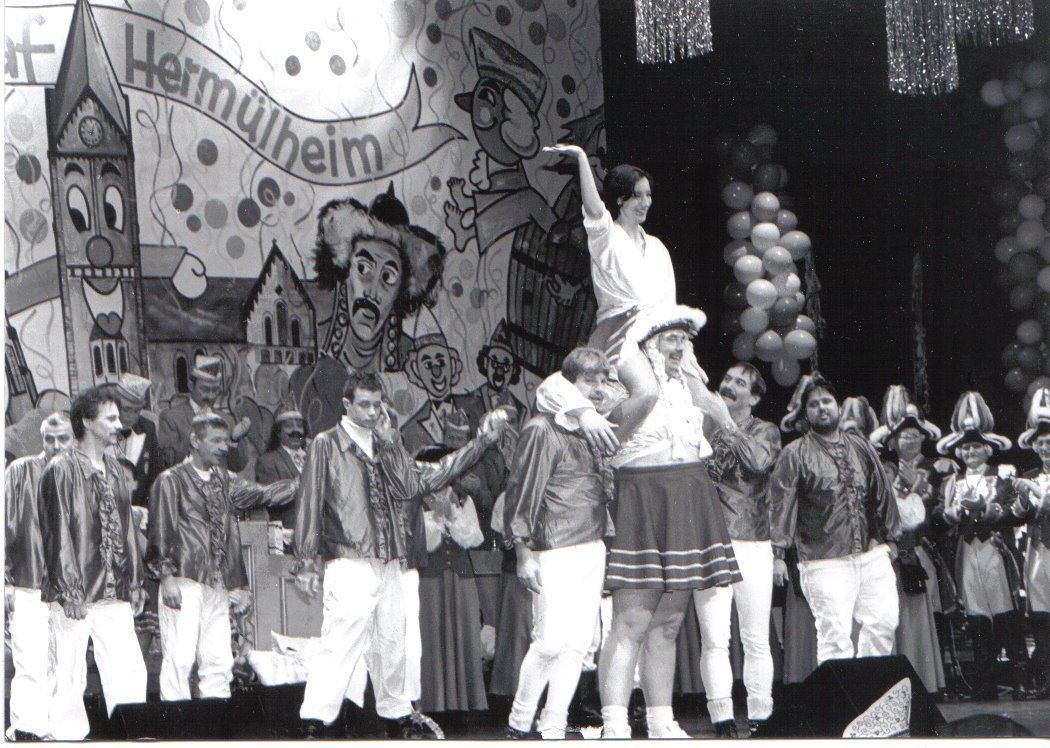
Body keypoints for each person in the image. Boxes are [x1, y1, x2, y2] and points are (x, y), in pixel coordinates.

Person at [293, 370, 505, 738]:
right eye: (364, 405)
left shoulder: (388, 447)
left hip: (393, 558)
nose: (372, 412)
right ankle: (315, 718)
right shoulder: (326, 445)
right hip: (350, 555)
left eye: (377, 405)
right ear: (346, 405)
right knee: (341, 638)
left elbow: (423, 480)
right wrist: (305, 561)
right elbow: (309, 501)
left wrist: (481, 442)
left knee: (394, 640)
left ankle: (396, 713)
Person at [501, 347, 627, 739]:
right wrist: (523, 552)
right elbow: (522, 491)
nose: (598, 388)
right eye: (590, 380)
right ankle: (519, 722)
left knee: (578, 645)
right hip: (553, 548)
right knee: (550, 641)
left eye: (603, 380)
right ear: (568, 384)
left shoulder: (591, 431)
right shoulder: (542, 429)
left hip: (592, 547)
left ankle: (553, 724)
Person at [540, 143, 682, 458]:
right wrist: (581, 158)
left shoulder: (657, 248)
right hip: (620, 333)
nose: (646, 202)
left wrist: (676, 346)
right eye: (638, 195)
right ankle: (601, 454)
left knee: (690, 398)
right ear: (620, 199)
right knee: (646, 393)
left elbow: (669, 305)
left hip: (656, 334)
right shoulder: (607, 236)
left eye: (649, 195)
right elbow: (594, 209)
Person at [147, 413, 299, 701]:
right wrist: (166, 578)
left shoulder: (225, 480)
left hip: (218, 583)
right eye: (216, 441)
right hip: (184, 579)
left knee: (218, 659)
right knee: (179, 658)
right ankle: (175, 723)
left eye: (226, 441)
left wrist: (303, 482)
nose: (223, 447)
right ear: (195, 440)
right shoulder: (171, 480)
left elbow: (264, 495)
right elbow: (161, 530)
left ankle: (215, 718)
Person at [770, 373, 902, 668]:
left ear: (838, 407)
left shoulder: (861, 446)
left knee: (883, 622)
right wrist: (778, 554)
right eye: (814, 404)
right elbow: (781, 504)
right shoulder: (795, 453)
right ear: (805, 414)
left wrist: (890, 537)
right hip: (823, 560)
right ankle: (839, 696)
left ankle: (869, 689)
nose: (822, 407)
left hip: (869, 554)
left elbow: (882, 491)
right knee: (835, 637)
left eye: (827, 401)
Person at [38, 386, 148, 740]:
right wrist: (70, 590)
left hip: (114, 591)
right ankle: (66, 739)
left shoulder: (115, 470)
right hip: (77, 592)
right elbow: (57, 533)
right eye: (111, 418)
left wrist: (134, 581)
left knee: (129, 670)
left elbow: (128, 529)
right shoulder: (61, 469)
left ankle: (131, 735)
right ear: (87, 422)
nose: (118, 425)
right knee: (69, 675)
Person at [695, 363, 781, 737]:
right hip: (709, 539)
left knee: (755, 637)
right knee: (714, 637)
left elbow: (758, 462)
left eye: (740, 383)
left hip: (752, 541)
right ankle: (722, 718)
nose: (729, 385)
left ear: (755, 397)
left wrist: (725, 421)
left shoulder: (766, 430)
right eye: (727, 379)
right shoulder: (700, 425)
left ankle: (761, 716)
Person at [936, 391, 1028, 701]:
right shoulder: (952, 482)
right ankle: (984, 684)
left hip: (994, 549)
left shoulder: (1001, 476)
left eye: (976, 446)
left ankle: (1020, 679)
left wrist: (993, 510)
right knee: (976, 616)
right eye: (966, 447)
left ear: (987, 449)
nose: (971, 451)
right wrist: (950, 514)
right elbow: (939, 514)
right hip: (967, 550)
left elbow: (1015, 509)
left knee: (1004, 612)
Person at [869, 385, 946, 696]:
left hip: (921, 548)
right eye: (904, 436)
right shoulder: (884, 471)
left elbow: (933, 511)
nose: (910, 440)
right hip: (893, 553)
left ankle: (928, 677)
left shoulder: (936, 469)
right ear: (893, 441)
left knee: (925, 613)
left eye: (915, 435)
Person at [4, 412, 74, 740]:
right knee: (30, 660)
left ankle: (58, 732)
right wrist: (5, 581)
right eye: (49, 439)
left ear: (74, 440)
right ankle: (27, 731)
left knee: (64, 663)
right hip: (27, 580)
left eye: (63, 439)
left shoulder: (81, 474)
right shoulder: (19, 471)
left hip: (68, 587)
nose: (55, 445)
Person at [1014, 387, 1050, 700]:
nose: (1046, 447)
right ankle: (1046, 680)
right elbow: (1018, 514)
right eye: (1041, 443)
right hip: (1039, 553)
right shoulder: (1030, 475)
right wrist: (1022, 499)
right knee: (1042, 617)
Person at [157, 355, 251, 471]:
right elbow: (169, 461)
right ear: (191, 386)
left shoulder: (226, 419)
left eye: (215, 390)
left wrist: (234, 440)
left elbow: (238, 466)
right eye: (205, 389)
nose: (210, 396)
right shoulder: (171, 417)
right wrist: (197, 428)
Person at [255, 406, 310, 528]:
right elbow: (271, 497)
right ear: (278, 433)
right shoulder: (268, 461)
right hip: (289, 530)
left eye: (300, 426)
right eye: (289, 426)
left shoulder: (314, 457)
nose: (296, 430)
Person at [113, 374, 162, 507]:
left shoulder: (148, 428)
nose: (130, 416)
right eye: (126, 409)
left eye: (136, 411)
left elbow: (155, 474)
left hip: (139, 508)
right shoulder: (101, 427)